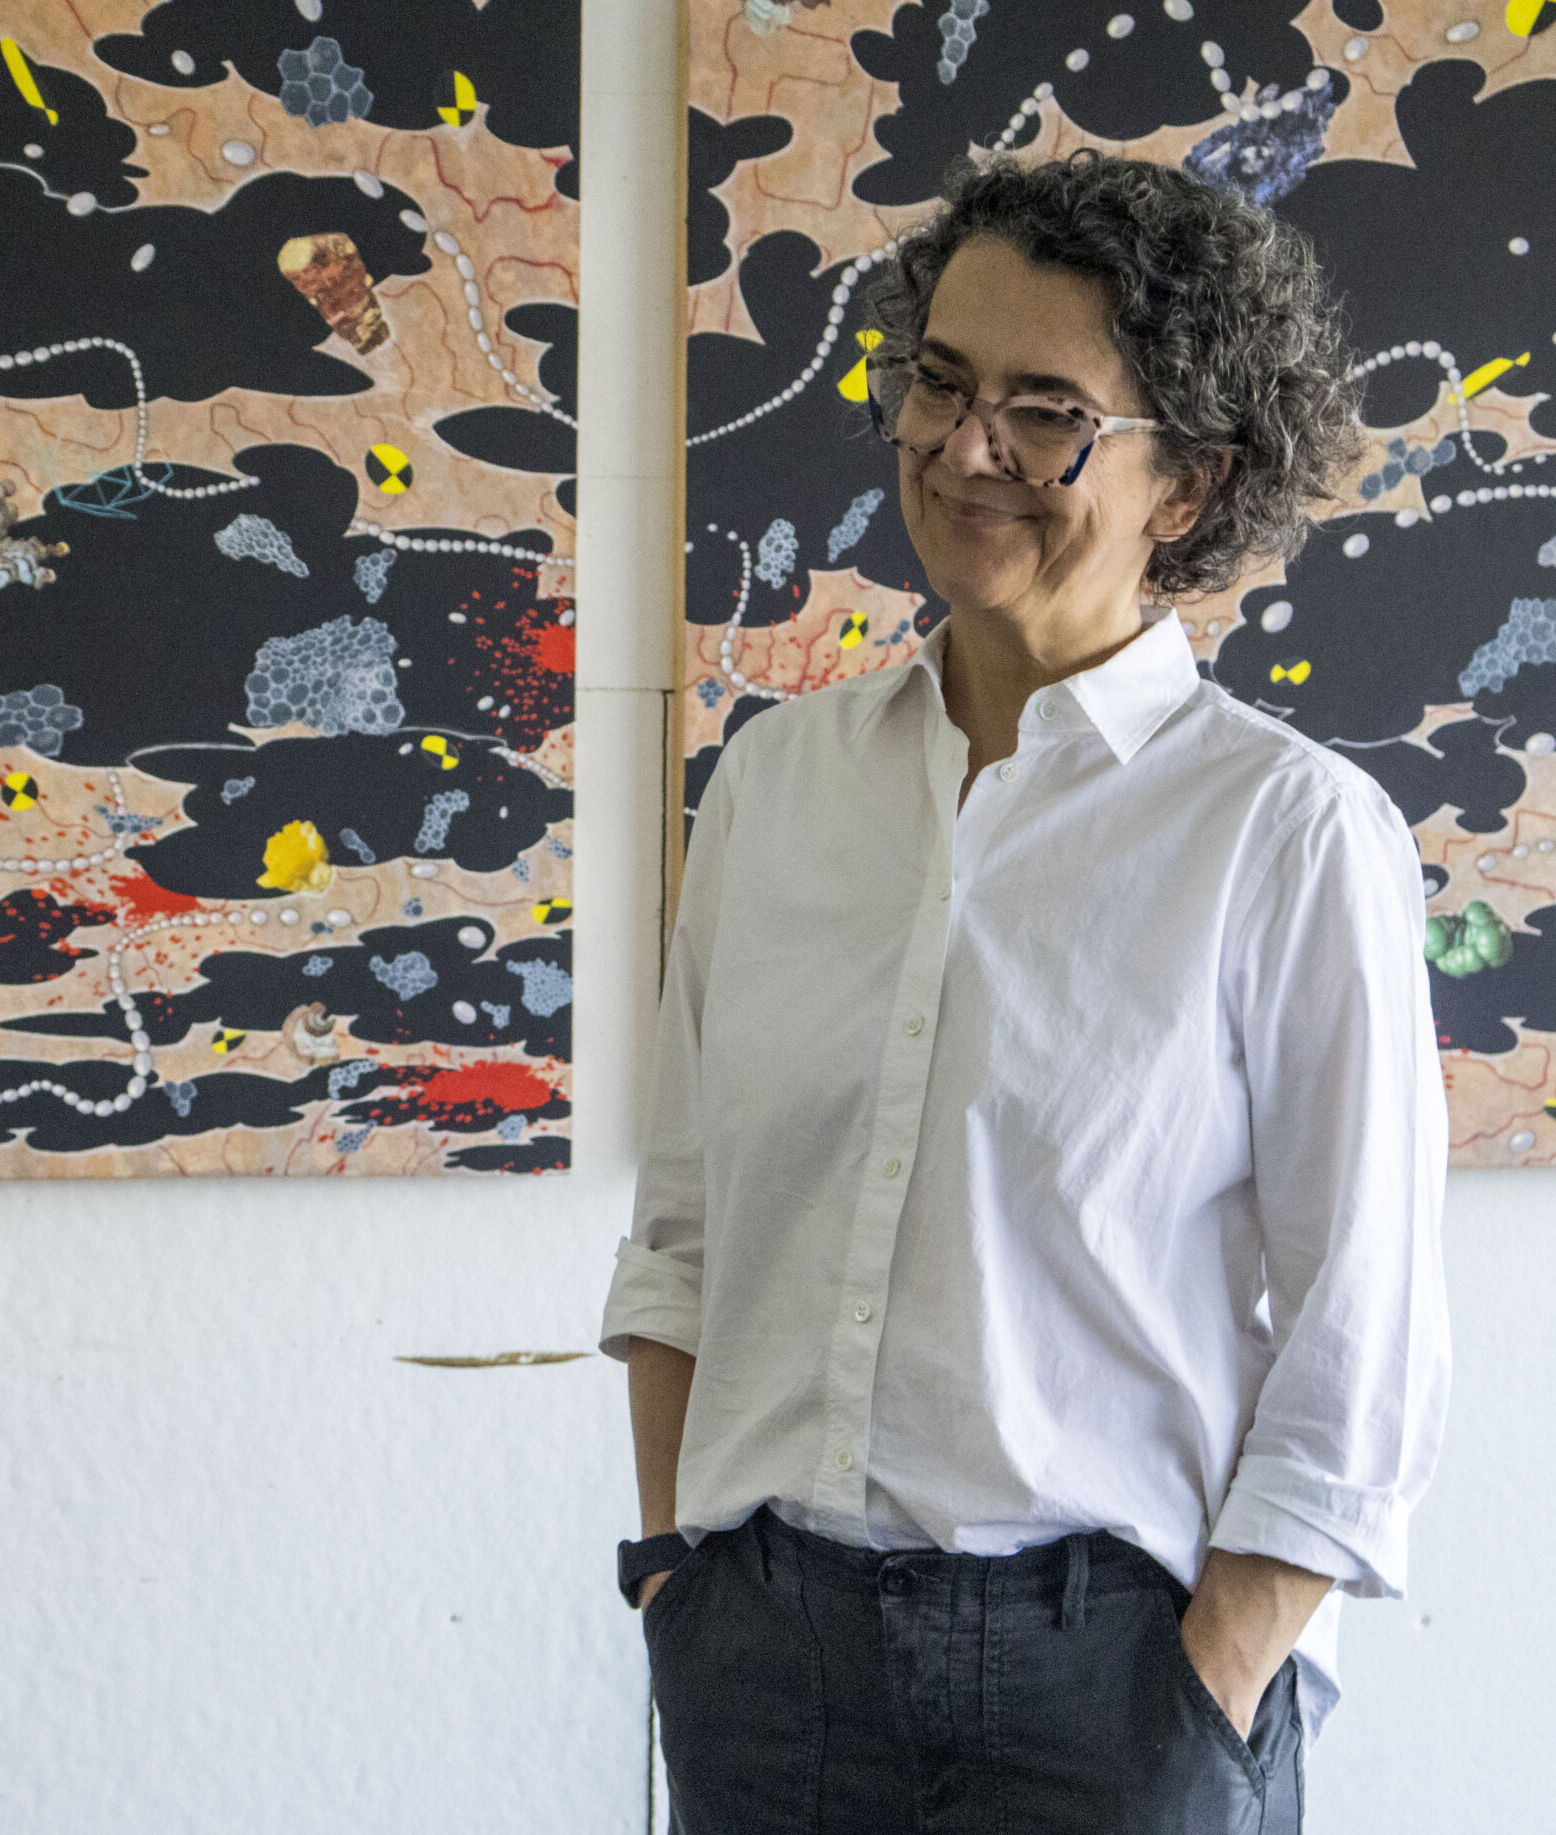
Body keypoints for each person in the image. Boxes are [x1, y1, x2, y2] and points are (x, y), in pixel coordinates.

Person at [602, 148, 1450, 1833]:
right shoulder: (775, 785)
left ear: (1190, 483)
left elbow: (1367, 1342)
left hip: (1114, 1684)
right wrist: (676, 1581)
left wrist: (1213, 1673)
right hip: (766, 1663)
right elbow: (686, 1234)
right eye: (937, 379)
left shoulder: (1284, 833)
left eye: (1045, 409)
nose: (960, 445)